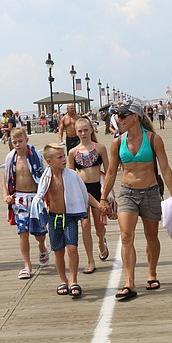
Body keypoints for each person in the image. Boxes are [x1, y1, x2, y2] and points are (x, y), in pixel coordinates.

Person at [99, 100, 172, 300]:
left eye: (123, 115)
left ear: (136, 117)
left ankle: (152, 274)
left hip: (150, 193)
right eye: (118, 116)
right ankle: (129, 282)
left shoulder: (153, 139)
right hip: (127, 193)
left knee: (151, 236)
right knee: (126, 237)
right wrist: (103, 198)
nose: (119, 119)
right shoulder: (117, 142)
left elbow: (166, 169)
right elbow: (110, 172)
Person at [34, 143, 99, 297]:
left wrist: (98, 205)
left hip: (70, 217)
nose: (64, 159)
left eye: (64, 156)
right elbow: (39, 196)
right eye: (60, 157)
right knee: (58, 251)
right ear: (49, 162)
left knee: (72, 248)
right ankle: (63, 280)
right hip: (54, 217)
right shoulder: (46, 178)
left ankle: (73, 280)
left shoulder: (72, 175)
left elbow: (84, 193)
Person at [3, 127, 49, 280]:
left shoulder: (34, 155)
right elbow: (5, 178)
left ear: (26, 140)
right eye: (14, 142)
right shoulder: (11, 158)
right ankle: (27, 265)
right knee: (23, 232)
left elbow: (43, 175)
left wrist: (44, 195)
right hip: (19, 199)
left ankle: (42, 247)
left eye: (20, 141)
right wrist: (6, 195)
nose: (17, 144)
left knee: (39, 232)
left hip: (35, 198)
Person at [68, 118, 110, 275]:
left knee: (99, 227)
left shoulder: (100, 148)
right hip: (81, 191)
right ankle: (90, 260)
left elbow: (108, 171)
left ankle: (101, 242)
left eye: (86, 130)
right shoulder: (73, 152)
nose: (83, 133)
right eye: (80, 131)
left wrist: (106, 194)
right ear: (76, 133)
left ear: (91, 130)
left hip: (97, 189)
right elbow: (71, 175)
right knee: (85, 225)